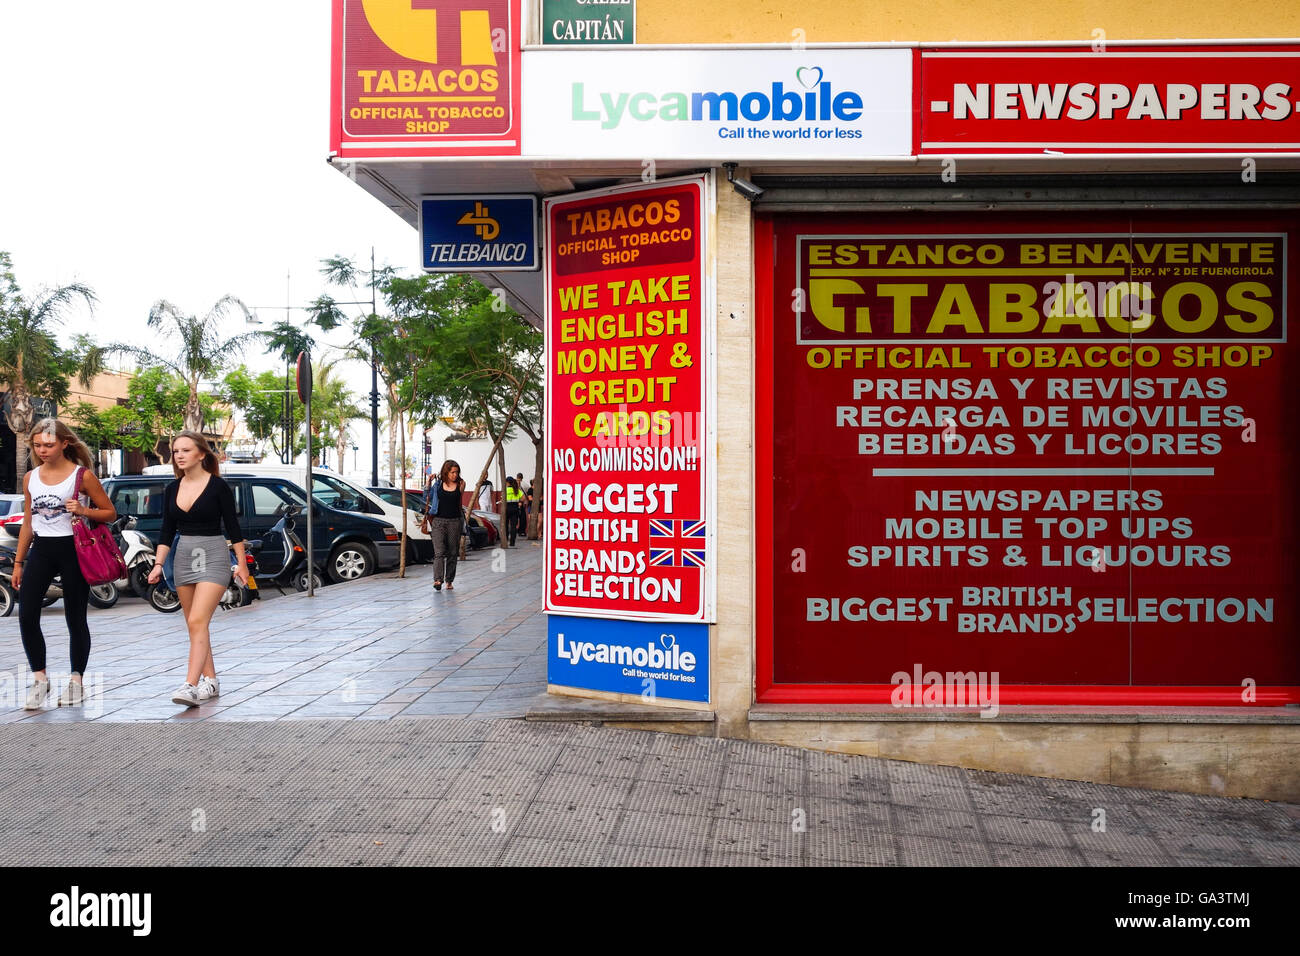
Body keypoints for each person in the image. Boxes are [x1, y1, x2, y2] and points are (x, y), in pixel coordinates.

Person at [12, 419, 117, 709]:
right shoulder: (30, 477)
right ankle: (40, 679)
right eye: (37, 445)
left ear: (64, 443)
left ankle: (76, 682)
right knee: (27, 614)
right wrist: (19, 562)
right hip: (42, 549)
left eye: (48, 444)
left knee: (75, 617)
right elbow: (28, 523)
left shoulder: (81, 476)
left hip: (74, 549)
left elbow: (109, 512)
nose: (42, 450)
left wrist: (84, 510)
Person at [146, 431, 248, 708]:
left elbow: (234, 528)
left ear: (201, 454)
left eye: (186, 450)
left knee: (198, 621)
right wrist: (157, 565)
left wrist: (242, 565)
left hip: (214, 554)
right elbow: (166, 532)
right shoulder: (171, 489)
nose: (178, 455)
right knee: (194, 625)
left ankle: (190, 685)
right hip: (183, 557)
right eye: (176, 450)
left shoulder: (218, 487)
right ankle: (211, 681)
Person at [424, 459, 466, 591]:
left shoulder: (461, 484)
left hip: (455, 522)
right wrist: (428, 483)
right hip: (438, 521)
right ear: (446, 472)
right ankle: (437, 580)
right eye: (452, 472)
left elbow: (459, 501)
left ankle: (449, 580)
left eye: (457, 472)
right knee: (439, 552)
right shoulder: (437, 485)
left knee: (453, 552)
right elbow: (426, 497)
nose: (455, 474)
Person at [505, 476, 524, 547]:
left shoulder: (505, 490)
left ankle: (506, 540)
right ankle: (512, 543)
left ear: (507, 482)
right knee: (513, 526)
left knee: (506, 525)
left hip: (507, 508)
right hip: (515, 508)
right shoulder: (516, 490)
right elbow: (523, 498)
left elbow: (503, 499)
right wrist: (519, 502)